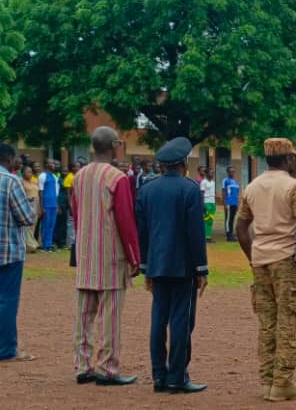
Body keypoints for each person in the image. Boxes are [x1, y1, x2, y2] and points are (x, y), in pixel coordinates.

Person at [236, 138, 296, 402]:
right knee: (288, 321)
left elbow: (240, 228)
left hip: (260, 261)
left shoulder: (251, 187)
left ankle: (268, 380)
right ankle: (283, 382)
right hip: (286, 261)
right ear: (288, 159)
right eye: (294, 157)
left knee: (267, 322)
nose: (295, 161)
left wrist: (253, 256)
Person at [135, 137, 209, 394]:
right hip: (183, 267)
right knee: (181, 321)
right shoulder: (190, 190)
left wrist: (145, 266)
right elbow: (195, 234)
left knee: (158, 319)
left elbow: (142, 233)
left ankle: (159, 376)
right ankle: (177, 376)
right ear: (183, 163)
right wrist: (201, 269)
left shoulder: (146, 190)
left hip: (156, 264)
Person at [71, 126, 142, 385]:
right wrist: (134, 256)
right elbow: (125, 219)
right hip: (111, 255)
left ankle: (83, 365)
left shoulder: (79, 176)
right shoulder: (118, 178)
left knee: (84, 314)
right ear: (113, 145)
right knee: (110, 314)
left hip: (86, 252)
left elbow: (76, 215)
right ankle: (108, 367)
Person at [0, 144, 36, 363]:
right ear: (9, 158)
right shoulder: (11, 181)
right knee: (7, 301)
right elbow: (27, 217)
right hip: (9, 252)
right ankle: (6, 350)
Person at [38, 160, 59, 252]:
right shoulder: (42, 176)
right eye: (51, 163)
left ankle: (49, 244)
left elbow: (56, 192)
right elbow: (40, 192)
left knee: (52, 224)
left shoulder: (55, 177)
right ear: (46, 165)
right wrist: (42, 206)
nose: (54, 165)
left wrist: (57, 205)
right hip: (46, 203)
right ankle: (44, 245)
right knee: (46, 224)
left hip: (54, 203)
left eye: (54, 163)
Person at [20, 166, 40, 253]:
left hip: (35, 205)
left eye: (31, 172)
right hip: (27, 205)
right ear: (23, 173)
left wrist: (40, 208)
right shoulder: (20, 182)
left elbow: (38, 195)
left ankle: (29, 245)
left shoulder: (34, 182)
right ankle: (30, 245)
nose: (30, 174)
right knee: (26, 227)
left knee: (33, 226)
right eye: (27, 172)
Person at [222, 167, 240, 242]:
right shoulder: (225, 181)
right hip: (229, 203)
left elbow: (237, 194)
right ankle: (228, 236)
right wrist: (225, 202)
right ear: (228, 172)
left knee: (232, 219)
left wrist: (238, 203)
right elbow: (224, 191)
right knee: (228, 219)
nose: (232, 173)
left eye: (233, 172)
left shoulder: (236, 182)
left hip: (234, 203)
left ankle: (231, 234)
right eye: (231, 172)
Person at [200, 169, 216, 243]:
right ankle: (205, 237)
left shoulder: (213, 182)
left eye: (213, 173)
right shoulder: (204, 182)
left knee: (210, 220)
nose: (212, 174)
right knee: (206, 220)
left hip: (212, 202)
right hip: (207, 202)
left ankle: (208, 236)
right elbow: (202, 194)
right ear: (206, 174)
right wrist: (203, 204)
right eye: (211, 173)